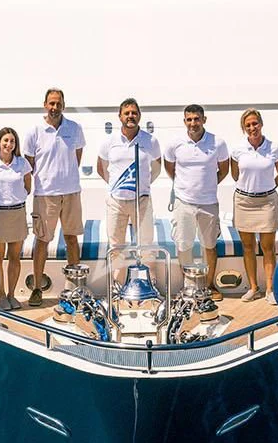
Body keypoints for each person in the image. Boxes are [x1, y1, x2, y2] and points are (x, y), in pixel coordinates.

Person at [22, 88, 86, 307]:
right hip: (45, 194)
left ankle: (75, 288)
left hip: (71, 192)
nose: (54, 107)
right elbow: (29, 164)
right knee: (42, 241)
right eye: (51, 103)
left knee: (71, 238)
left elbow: (76, 156)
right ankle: (37, 288)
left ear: (63, 105)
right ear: (45, 105)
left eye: (58, 103)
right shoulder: (34, 132)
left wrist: (65, 178)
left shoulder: (74, 128)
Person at [163, 104, 230, 299]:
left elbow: (223, 169)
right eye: (189, 119)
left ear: (204, 120)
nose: (193, 123)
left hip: (208, 202)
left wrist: (208, 185)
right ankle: (189, 285)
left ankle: (209, 285)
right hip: (183, 202)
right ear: (185, 121)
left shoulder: (218, 143)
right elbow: (170, 168)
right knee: (184, 245)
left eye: (197, 119)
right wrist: (184, 187)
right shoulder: (175, 143)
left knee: (209, 245)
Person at [230, 108, 278, 303]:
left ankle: (269, 289)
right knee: (247, 246)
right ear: (243, 128)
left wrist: (267, 188)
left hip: (266, 202)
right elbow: (235, 175)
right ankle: (253, 287)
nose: (252, 128)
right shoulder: (238, 150)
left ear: (261, 124)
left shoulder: (274, 148)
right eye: (248, 125)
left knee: (268, 247)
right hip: (244, 202)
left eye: (255, 124)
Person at [97, 98, 162, 260]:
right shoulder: (109, 141)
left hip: (142, 201)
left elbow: (157, 168)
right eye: (127, 113)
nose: (130, 116)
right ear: (120, 116)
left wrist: (143, 185)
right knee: (116, 246)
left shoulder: (150, 141)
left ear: (139, 116)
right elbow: (101, 168)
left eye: (134, 113)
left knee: (146, 245)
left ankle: (149, 282)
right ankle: (117, 284)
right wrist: (117, 186)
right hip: (116, 202)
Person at [0, 127, 32, 310]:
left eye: (12, 141)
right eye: (5, 141)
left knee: (14, 257)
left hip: (17, 213)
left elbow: (28, 186)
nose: (9, 144)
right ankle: (1, 295)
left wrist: (16, 198)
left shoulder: (22, 163)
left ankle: (12, 295)